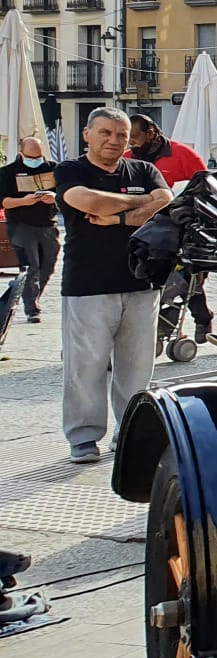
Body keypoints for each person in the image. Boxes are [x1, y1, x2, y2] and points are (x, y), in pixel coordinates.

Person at [54, 106, 170, 464]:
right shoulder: (71, 170)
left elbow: (165, 202)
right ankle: (83, 438)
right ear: (87, 134)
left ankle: (130, 433)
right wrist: (139, 205)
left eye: (121, 135)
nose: (114, 140)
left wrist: (115, 215)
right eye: (105, 132)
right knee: (85, 366)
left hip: (142, 281)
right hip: (89, 284)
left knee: (136, 368)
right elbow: (85, 200)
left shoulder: (144, 169)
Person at [0, 133, 60, 323]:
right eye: (31, 157)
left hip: (48, 224)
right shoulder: (8, 172)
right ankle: (31, 308)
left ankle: (31, 295)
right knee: (30, 266)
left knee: (48, 265)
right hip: (21, 225)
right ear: (21, 153)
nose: (35, 160)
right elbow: (4, 202)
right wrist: (23, 201)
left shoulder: (52, 169)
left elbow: (66, 195)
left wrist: (54, 197)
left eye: (38, 156)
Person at [127, 113, 206, 188]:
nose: (130, 142)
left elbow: (205, 187)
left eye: (134, 137)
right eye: (126, 136)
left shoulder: (185, 155)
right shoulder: (125, 158)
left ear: (150, 134)